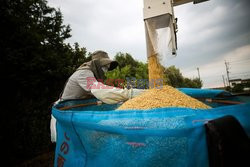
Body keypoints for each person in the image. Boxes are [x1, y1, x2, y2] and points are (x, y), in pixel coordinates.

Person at [50, 50, 146, 142]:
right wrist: (130, 94)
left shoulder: (92, 75)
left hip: (75, 113)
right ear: (96, 64)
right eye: (104, 66)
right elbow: (100, 91)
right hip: (66, 115)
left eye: (107, 67)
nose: (106, 70)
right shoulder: (84, 73)